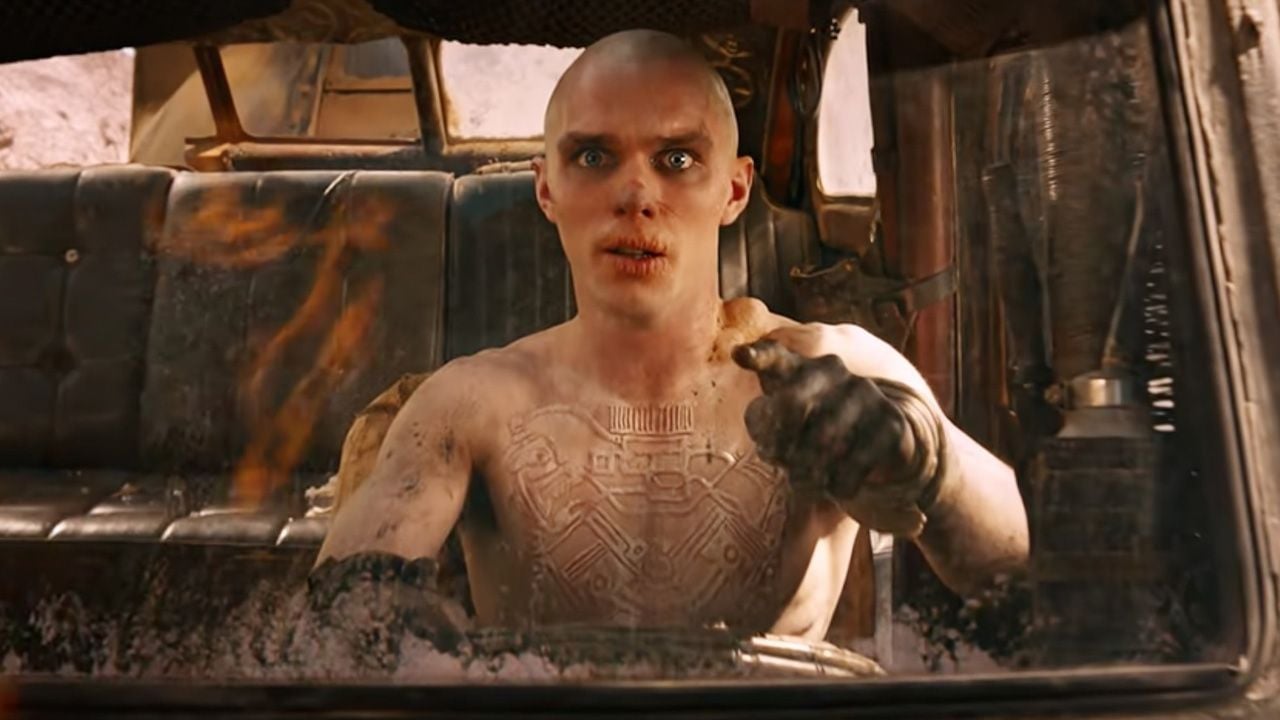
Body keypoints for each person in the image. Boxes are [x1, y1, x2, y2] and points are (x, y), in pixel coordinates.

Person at [313, 28, 1028, 642]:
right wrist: (378, 621)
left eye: (677, 159)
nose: (636, 195)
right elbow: (342, 617)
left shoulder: (833, 369)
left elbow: (1021, 569)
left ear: (735, 190)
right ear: (546, 189)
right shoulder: (469, 404)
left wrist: (926, 463)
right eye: (594, 157)